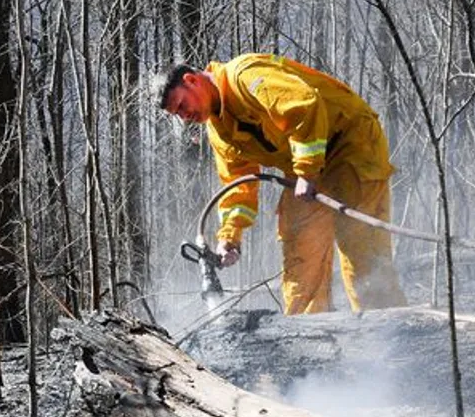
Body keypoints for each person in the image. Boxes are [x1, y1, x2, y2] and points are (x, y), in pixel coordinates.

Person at [159, 53, 407, 314]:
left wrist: (307, 172)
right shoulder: (220, 132)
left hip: (349, 142)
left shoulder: (245, 76)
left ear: (191, 80)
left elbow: (303, 106)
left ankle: (389, 329)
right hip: (305, 167)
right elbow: (238, 185)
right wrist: (230, 236)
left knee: (361, 249)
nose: (184, 117)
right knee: (300, 253)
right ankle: (311, 335)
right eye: (177, 114)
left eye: (181, 105)